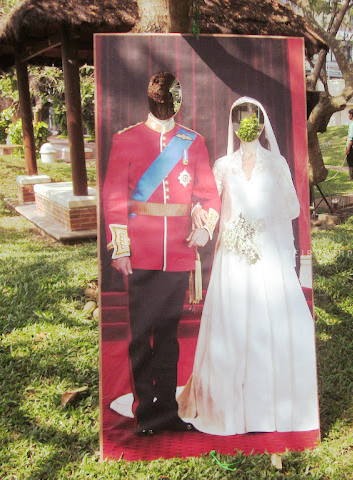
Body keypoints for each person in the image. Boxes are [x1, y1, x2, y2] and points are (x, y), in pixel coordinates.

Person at [177, 97, 320, 436]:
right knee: (233, 322)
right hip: (232, 254)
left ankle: (268, 405)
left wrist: (259, 224)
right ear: (234, 125)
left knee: (267, 321)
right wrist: (199, 214)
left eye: (251, 118)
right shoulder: (223, 165)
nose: (245, 124)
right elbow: (211, 202)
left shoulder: (276, 163)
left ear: (260, 123)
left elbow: (292, 207)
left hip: (266, 252)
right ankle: (228, 404)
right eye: (239, 118)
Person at [102, 71, 221, 436]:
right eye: (162, 100)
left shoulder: (192, 142)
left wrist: (204, 226)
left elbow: (209, 194)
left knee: (168, 336)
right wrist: (120, 248)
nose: (167, 106)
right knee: (141, 336)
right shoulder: (127, 139)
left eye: (172, 100)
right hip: (141, 253)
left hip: (178, 254)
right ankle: (144, 414)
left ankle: (167, 411)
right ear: (151, 100)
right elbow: (114, 196)